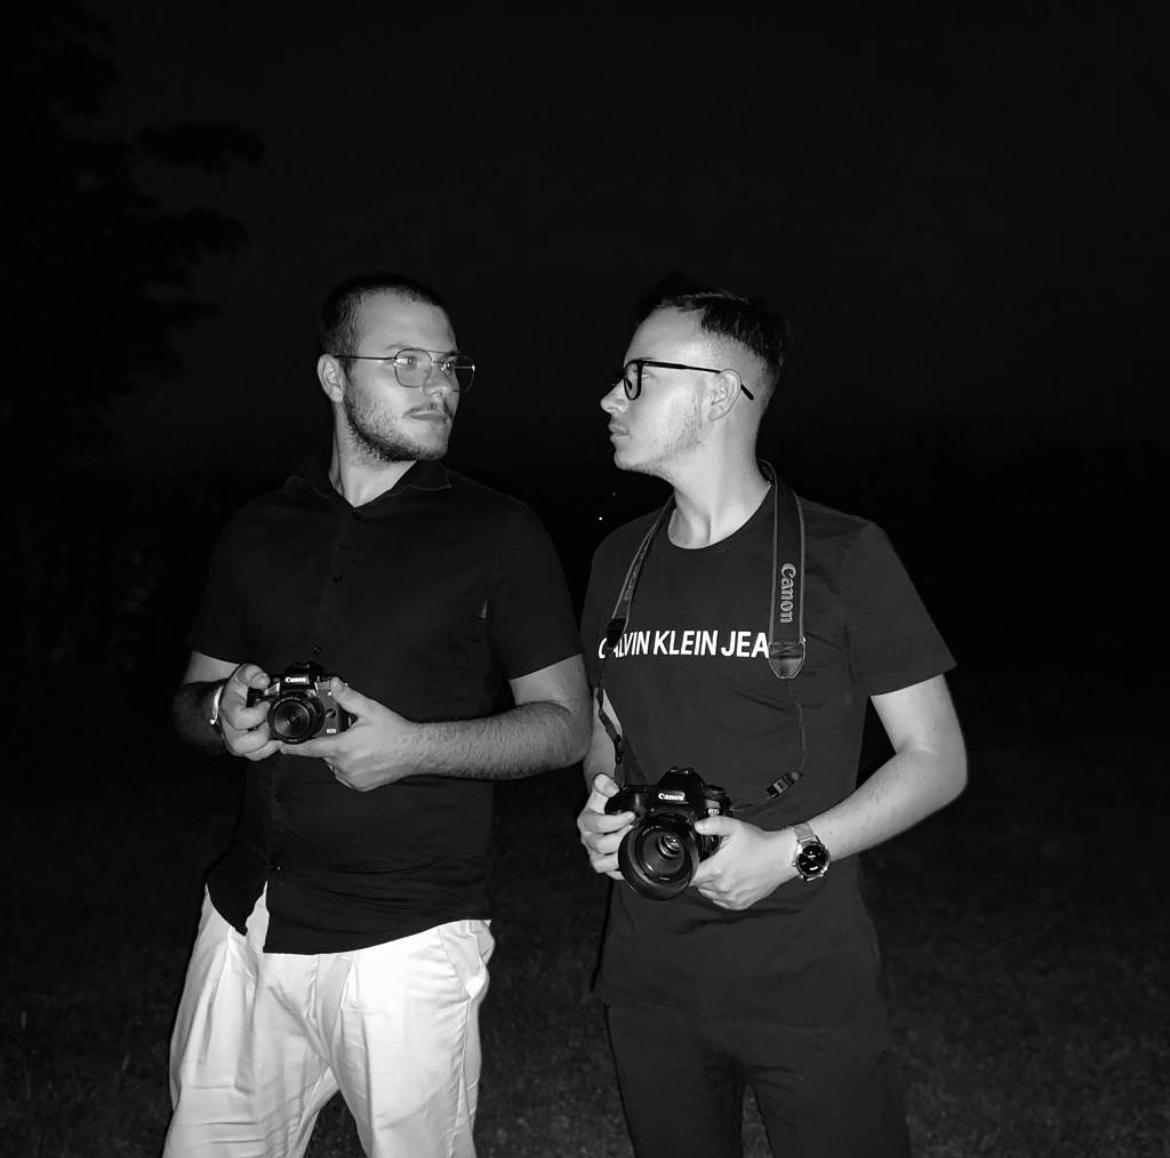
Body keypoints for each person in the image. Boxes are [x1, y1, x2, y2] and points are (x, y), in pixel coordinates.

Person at [163, 272, 590, 1158]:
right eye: (406, 362)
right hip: (247, 917)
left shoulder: (498, 531)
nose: (440, 386)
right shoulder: (259, 527)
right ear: (333, 376)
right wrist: (223, 715)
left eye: (450, 365)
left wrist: (413, 748)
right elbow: (191, 702)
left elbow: (564, 724)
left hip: (406, 935)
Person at [576, 279, 967, 1158]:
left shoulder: (844, 554)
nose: (609, 397)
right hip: (648, 979)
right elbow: (604, 725)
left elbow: (937, 759)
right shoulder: (617, 560)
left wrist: (792, 851)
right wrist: (600, 802)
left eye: (637, 377)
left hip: (806, 986)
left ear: (719, 393)